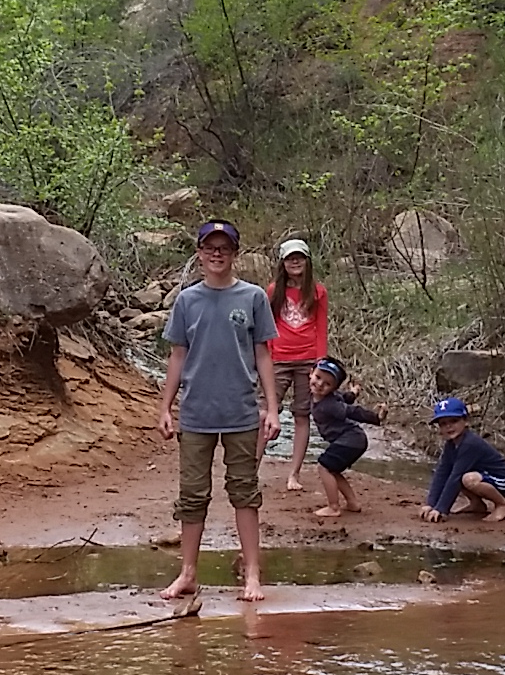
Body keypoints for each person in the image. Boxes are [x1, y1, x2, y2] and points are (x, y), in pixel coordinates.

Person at [157, 218, 274, 603]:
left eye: (224, 248)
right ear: (200, 253)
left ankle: (252, 574)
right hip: (195, 412)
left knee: (244, 492)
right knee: (192, 495)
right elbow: (177, 355)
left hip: (241, 411)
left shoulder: (253, 297)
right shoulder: (188, 300)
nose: (217, 254)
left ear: (234, 254)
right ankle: (188, 572)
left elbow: (262, 353)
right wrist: (165, 408)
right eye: (210, 247)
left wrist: (272, 408)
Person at [266, 237, 330, 492]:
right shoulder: (272, 291)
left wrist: (320, 362)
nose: (295, 262)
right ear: (283, 262)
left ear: (307, 261)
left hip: (308, 360)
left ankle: (293, 474)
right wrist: (268, 356)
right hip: (279, 358)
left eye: (299, 257)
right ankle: (251, 468)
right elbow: (267, 325)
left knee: (302, 415)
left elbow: (321, 328)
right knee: (266, 412)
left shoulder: (318, 291)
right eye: (290, 258)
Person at [419, 395, 505, 523]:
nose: (449, 427)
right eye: (443, 423)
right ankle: (477, 504)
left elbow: (455, 477)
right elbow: (442, 472)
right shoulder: (451, 444)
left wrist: (441, 509)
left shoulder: (470, 443)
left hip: (503, 482)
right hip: (484, 477)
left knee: (467, 478)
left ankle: (503, 505)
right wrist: (430, 504)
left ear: (465, 421)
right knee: (459, 475)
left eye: (454, 421)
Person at [305, 357, 379, 517]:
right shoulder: (329, 397)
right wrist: (353, 392)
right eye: (318, 378)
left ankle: (333, 506)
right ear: (311, 373)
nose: (319, 384)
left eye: (327, 384)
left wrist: (375, 417)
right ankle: (352, 503)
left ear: (332, 388)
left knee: (323, 467)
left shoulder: (329, 404)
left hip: (351, 439)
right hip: (353, 439)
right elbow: (344, 398)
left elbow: (352, 411)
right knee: (333, 469)